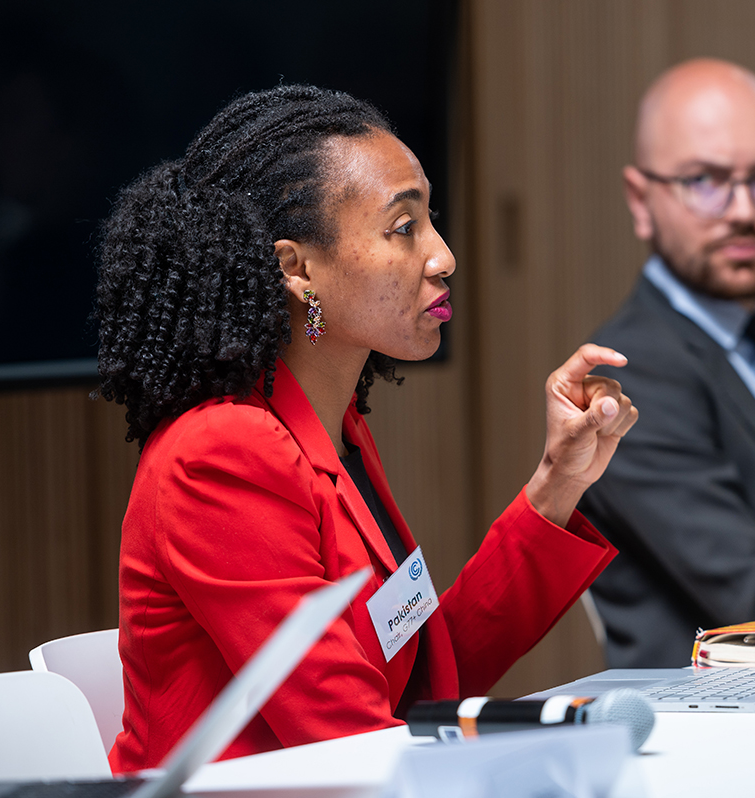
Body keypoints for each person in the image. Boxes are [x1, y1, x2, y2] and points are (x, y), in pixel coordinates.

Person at [95, 85, 637, 772]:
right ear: (296, 269)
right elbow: (351, 740)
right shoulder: (221, 453)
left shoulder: (335, 431)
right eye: (403, 228)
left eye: (429, 219)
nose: (443, 257)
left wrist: (559, 482)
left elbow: (425, 681)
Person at [577, 59, 755, 668]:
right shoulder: (628, 379)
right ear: (640, 200)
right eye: (704, 180)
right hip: (717, 736)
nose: (743, 210)